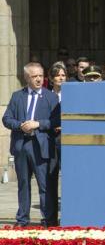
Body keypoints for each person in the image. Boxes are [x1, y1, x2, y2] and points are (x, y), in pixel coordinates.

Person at [2, 62, 60, 226]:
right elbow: (6, 119)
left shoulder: (51, 97)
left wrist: (38, 124)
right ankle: (22, 219)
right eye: (34, 76)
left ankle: (48, 220)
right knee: (23, 184)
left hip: (41, 146)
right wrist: (21, 125)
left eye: (41, 76)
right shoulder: (17, 96)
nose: (39, 79)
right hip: (21, 145)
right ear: (27, 78)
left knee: (45, 185)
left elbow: (56, 120)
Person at [46, 62, 65, 226]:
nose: (61, 77)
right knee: (51, 179)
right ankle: (51, 219)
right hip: (51, 140)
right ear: (51, 78)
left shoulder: (72, 94)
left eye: (63, 75)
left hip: (68, 141)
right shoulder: (45, 95)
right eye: (58, 75)